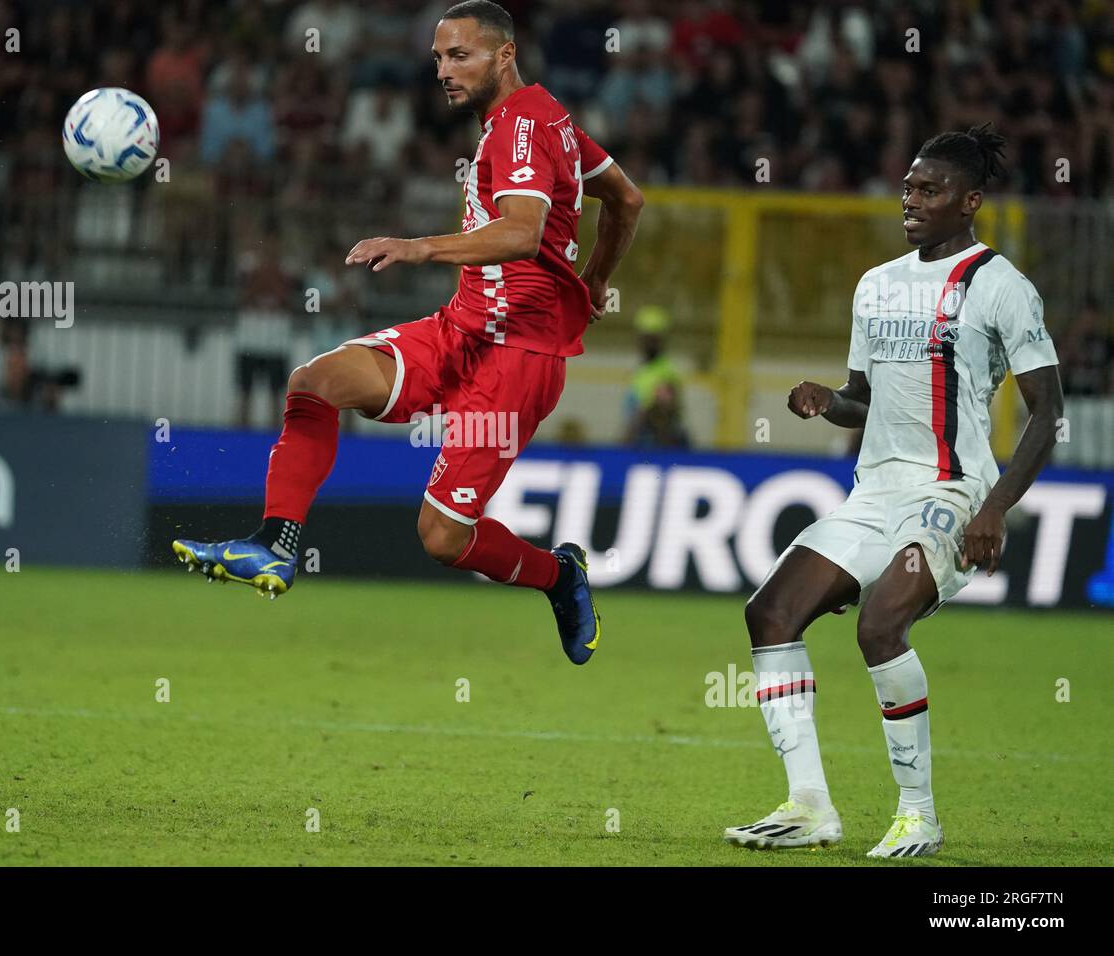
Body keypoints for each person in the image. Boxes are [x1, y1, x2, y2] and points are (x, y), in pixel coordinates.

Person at [173, 0, 644, 666]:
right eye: (438, 59)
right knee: (317, 382)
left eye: (461, 56)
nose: (445, 71)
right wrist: (593, 280)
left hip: (518, 356)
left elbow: (522, 232)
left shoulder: (519, 128)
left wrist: (418, 248)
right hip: (461, 329)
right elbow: (626, 199)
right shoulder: (548, 118)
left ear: (504, 55)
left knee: (443, 539)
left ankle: (558, 574)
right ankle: (273, 544)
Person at [724, 124, 1064, 857]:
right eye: (908, 186)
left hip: (952, 489)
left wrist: (994, 507)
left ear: (969, 201)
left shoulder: (1001, 285)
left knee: (879, 627)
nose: (910, 199)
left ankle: (919, 816)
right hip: (874, 491)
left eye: (929, 188)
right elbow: (862, 396)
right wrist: (827, 398)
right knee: (770, 613)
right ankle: (809, 805)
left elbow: (1050, 410)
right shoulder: (875, 284)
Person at [623, 305, 689, 447]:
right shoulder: (641, 370)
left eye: (653, 339)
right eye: (645, 338)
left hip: (653, 446)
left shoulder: (666, 372)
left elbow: (665, 416)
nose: (648, 343)